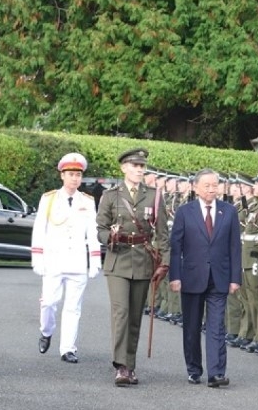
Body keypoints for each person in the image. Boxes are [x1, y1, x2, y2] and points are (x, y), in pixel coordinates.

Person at [96, 148, 170, 387]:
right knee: (121, 312)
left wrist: (165, 262)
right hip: (117, 260)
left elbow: (163, 234)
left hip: (142, 260)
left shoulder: (154, 196)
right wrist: (110, 237)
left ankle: (130, 365)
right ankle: (121, 366)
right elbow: (100, 228)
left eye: (142, 166)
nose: (139, 169)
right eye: (134, 166)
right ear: (123, 168)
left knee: (136, 316)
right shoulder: (111, 195)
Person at [169, 168, 242, 387]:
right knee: (191, 326)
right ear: (196, 187)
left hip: (219, 277)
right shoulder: (185, 212)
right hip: (192, 277)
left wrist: (235, 278)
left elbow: (234, 247)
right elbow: (176, 247)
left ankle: (216, 373)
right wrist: (175, 276)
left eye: (215, 185)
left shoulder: (229, 212)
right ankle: (194, 369)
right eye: (207, 185)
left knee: (216, 326)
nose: (212, 189)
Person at [31, 152, 102, 363]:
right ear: (62, 175)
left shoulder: (87, 201)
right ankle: (46, 331)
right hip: (53, 260)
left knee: (73, 307)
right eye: (71, 174)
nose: (74, 178)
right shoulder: (49, 199)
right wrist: (38, 258)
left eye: (78, 175)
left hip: (77, 261)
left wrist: (95, 260)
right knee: (49, 303)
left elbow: (93, 232)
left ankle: (68, 348)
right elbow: (39, 229)